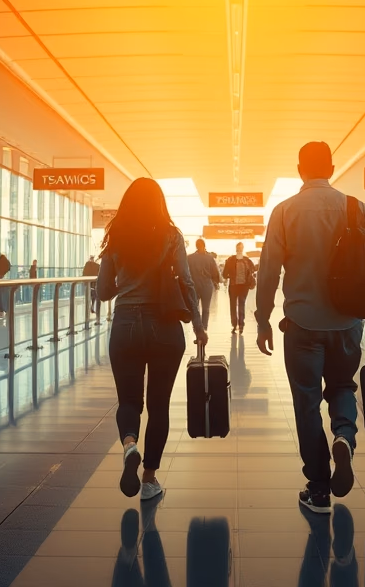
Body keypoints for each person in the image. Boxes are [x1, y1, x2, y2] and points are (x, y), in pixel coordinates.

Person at [256, 141, 365, 514]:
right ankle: (344, 437)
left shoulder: (285, 211)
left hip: (302, 323)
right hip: (349, 321)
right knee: (342, 386)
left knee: (305, 403)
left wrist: (261, 319)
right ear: (332, 167)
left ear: (300, 169)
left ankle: (318, 487)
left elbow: (268, 270)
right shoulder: (357, 208)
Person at [97, 178, 207, 501]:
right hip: (164, 327)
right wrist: (199, 326)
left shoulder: (116, 237)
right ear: (160, 204)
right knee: (159, 406)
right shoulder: (172, 237)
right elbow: (187, 284)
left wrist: (126, 278)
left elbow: (104, 291)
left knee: (129, 401)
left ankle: (130, 444)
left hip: (126, 324)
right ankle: (149, 479)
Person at [187, 239, 220, 332]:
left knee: (195, 308)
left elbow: (186, 272)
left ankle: (197, 328)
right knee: (206, 309)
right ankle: (204, 328)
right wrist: (216, 282)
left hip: (194, 286)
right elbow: (215, 273)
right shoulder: (210, 258)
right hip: (207, 286)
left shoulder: (189, 258)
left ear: (196, 246)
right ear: (204, 246)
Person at [223, 242, 256, 334]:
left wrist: (229, 275)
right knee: (239, 305)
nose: (239, 250)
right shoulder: (247, 261)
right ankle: (239, 325)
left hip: (236, 286)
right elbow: (225, 274)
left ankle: (236, 325)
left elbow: (224, 274)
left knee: (236, 305)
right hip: (240, 286)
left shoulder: (231, 260)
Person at [0, 253, 11, 318]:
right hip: (4, 280)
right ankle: (7, 309)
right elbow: (9, 269)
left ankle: (0, 310)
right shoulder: (7, 262)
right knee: (6, 296)